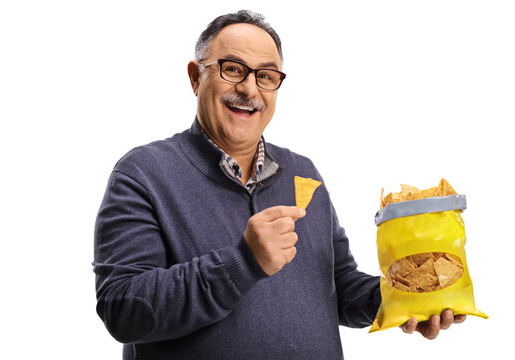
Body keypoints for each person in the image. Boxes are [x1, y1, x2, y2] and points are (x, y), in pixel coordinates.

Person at [93, 10, 465, 360]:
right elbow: (123, 309)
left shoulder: (303, 172)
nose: (250, 90)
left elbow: (338, 288)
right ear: (195, 77)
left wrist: (399, 298)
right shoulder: (143, 173)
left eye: (266, 76)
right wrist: (243, 262)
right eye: (233, 69)